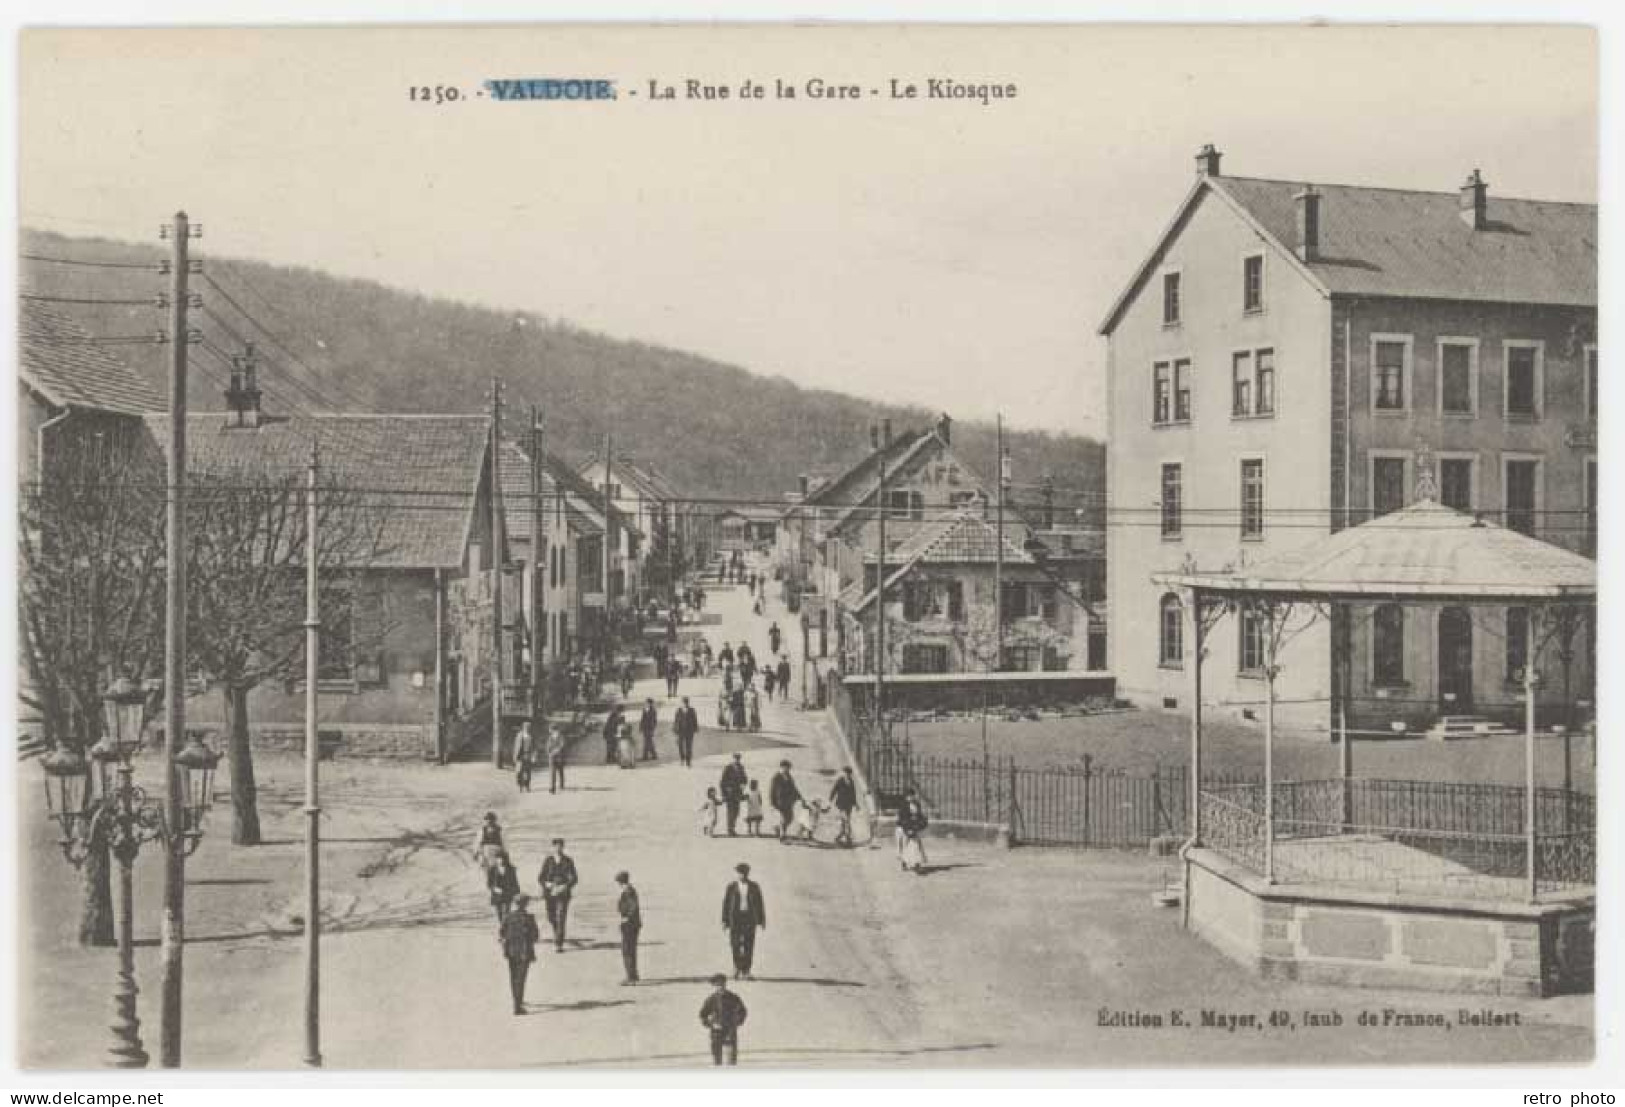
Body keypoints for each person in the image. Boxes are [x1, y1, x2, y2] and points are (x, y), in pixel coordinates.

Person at [721, 862, 766, 980]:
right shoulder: (731, 887)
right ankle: (736, 967)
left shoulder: (754, 886)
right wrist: (724, 921)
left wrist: (761, 920)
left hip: (749, 918)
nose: (742, 875)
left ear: (748, 873)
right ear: (737, 874)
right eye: (740, 873)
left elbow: (760, 904)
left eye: (744, 873)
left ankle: (746, 971)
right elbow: (726, 904)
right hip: (735, 919)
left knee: (748, 944)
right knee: (735, 944)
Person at [499, 895, 540, 1015]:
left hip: (511, 951)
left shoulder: (507, 916)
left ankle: (517, 1001)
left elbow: (501, 932)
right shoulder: (529, 918)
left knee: (513, 977)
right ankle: (517, 1005)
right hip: (524, 951)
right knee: (521, 978)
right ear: (526, 904)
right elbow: (535, 936)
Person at [699, 974, 748, 1066]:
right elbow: (703, 1014)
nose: (720, 987)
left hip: (730, 1032)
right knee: (717, 1061)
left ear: (725, 984)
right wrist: (711, 1024)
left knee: (731, 1061)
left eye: (722, 985)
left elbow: (743, 1011)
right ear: (714, 986)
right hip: (716, 1033)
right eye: (717, 985)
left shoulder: (733, 997)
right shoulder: (711, 999)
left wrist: (736, 1022)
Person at [538, 838, 578, 951]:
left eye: (560, 846)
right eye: (556, 846)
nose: (558, 848)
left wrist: (564, 886)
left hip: (563, 894)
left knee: (561, 917)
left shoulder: (568, 861)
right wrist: (547, 884)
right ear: (553, 847)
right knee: (551, 917)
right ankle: (557, 933)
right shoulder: (548, 860)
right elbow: (541, 877)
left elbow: (574, 878)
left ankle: (558, 944)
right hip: (549, 894)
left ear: (563, 847)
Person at [615, 871, 641, 985]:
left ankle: (631, 977)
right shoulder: (629, 890)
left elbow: (633, 907)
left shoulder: (628, 892)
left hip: (630, 924)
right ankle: (633, 975)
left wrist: (627, 917)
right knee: (630, 950)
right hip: (632, 924)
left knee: (627, 950)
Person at [897, 787, 930, 873]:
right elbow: (903, 819)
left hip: (914, 827)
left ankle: (916, 864)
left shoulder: (917, 804)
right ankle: (904, 862)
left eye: (912, 796)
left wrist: (922, 823)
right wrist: (908, 829)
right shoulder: (903, 805)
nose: (910, 798)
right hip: (904, 828)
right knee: (905, 846)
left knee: (915, 845)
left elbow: (919, 815)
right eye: (908, 796)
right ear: (906, 797)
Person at [487, 850, 521, 929]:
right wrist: (494, 889)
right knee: (500, 914)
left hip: (507, 894)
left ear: (505, 859)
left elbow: (515, 882)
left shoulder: (511, 869)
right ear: (496, 859)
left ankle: (504, 931)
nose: (500, 861)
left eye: (502, 859)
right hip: (497, 895)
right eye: (498, 859)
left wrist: (517, 893)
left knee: (506, 913)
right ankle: (503, 930)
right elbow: (489, 883)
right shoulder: (492, 870)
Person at [769, 760, 802, 838]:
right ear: (782, 767)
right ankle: (783, 834)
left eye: (788, 768)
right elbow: (772, 790)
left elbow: (794, 788)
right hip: (779, 801)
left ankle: (777, 828)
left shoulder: (789, 776)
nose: (787, 769)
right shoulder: (776, 777)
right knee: (784, 817)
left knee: (790, 817)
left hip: (789, 801)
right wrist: (772, 802)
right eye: (786, 768)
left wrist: (799, 797)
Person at [829, 766, 860, 846]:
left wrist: (856, 804)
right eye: (846, 773)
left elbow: (853, 793)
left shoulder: (851, 782)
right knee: (846, 820)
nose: (847, 775)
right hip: (841, 803)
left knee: (845, 821)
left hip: (849, 804)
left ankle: (840, 836)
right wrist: (830, 800)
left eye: (848, 773)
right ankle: (848, 837)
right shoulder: (840, 780)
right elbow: (834, 790)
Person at [720, 752, 747, 835]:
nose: (737, 760)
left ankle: (732, 827)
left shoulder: (741, 767)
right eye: (735, 758)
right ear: (733, 759)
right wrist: (724, 793)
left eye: (738, 759)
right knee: (730, 811)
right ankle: (730, 829)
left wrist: (743, 784)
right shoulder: (728, 768)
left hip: (738, 793)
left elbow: (745, 779)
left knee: (736, 811)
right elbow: (722, 781)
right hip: (729, 793)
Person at [674, 696, 699, 767]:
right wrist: (675, 730)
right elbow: (676, 721)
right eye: (683, 703)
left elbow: (695, 719)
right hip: (680, 731)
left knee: (689, 746)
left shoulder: (692, 710)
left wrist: (695, 728)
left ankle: (688, 761)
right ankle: (682, 758)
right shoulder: (678, 710)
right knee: (680, 746)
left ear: (688, 703)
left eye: (686, 703)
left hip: (689, 731)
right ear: (681, 703)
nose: (685, 704)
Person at [513, 722, 535, 793]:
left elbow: (534, 747)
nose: (527, 729)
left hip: (528, 755)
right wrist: (515, 756)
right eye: (526, 727)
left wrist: (534, 756)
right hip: (520, 755)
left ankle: (527, 786)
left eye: (528, 727)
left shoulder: (531, 736)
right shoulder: (519, 735)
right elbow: (516, 746)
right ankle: (520, 785)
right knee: (519, 772)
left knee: (528, 772)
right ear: (523, 727)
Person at [546, 725, 567, 793]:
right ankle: (552, 787)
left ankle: (561, 784)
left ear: (554, 730)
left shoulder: (561, 736)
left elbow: (562, 745)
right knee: (552, 772)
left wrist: (556, 751)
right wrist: (549, 752)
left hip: (559, 757)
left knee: (560, 771)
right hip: (552, 757)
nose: (550, 731)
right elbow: (547, 746)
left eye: (550, 730)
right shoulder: (550, 737)